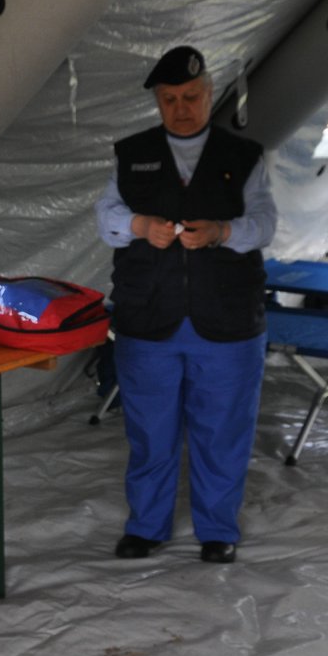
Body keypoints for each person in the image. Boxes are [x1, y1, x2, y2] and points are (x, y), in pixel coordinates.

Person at [94, 45, 277, 565]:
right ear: (158, 101)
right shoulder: (131, 153)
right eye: (170, 98)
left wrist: (223, 231)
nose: (181, 107)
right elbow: (105, 214)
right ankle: (146, 527)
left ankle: (217, 530)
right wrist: (139, 227)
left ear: (209, 93)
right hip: (148, 317)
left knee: (223, 430)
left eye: (191, 96)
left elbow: (264, 222)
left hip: (229, 321)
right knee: (150, 432)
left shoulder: (244, 156)